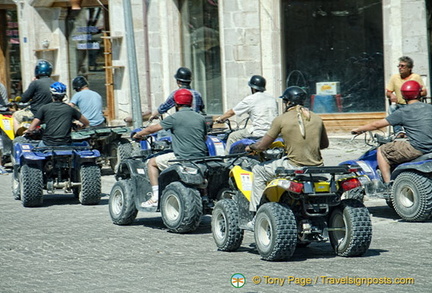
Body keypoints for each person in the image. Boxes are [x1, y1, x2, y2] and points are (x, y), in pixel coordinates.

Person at [244, 86, 329, 230]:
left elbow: (262, 146)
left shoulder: (281, 120)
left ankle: (256, 215)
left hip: (293, 165)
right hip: (317, 168)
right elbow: (324, 144)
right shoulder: (317, 118)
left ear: (288, 102)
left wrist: (250, 148)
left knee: (258, 170)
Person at [133, 89, 208, 208]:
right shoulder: (201, 118)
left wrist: (138, 134)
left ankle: (155, 197)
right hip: (201, 157)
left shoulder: (174, 117)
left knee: (152, 163)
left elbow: (153, 129)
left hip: (182, 157)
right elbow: (204, 137)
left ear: (176, 103)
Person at [352, 80, 432, 186]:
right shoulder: (429, 107)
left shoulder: (403, 112)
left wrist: (359, 129)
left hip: (417, 148)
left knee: (382, 151)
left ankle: (388, 184)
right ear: (419, 93)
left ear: (403, 95)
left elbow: (377, 125)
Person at [215, 75, 278, 154]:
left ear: (253, 88)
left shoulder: (251, 99)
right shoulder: (272, 99)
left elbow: (232, 112)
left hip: (259, 132)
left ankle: (227, 161)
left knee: (233, 136)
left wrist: (220, 118)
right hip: (273, 133)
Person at [26, 82, 89, 147]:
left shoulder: (44, 108)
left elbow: (31, 128)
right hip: (66, 144)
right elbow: (86, 122)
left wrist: (28, 131)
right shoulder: (70, 109)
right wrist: (78, 127)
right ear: (64, 95)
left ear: (51, 94)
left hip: (47, 144)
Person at [386, 56, 427, 134]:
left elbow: (424, 92)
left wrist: (414, 95)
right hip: (400, 105)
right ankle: (399, 132)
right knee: (392, 108)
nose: (400, 68)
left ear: (409, 68)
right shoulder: (395, 77)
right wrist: (391, 95)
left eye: (402, 66)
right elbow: (388, 92)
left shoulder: (416, 77)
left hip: (413, 105)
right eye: (399, 66)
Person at [13, 59, 56, 134]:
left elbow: (24, 98)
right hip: (51, 113)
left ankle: (18, 138)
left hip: (35, 112)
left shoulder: (35, 83)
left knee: (15, 115)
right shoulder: (55, 83)